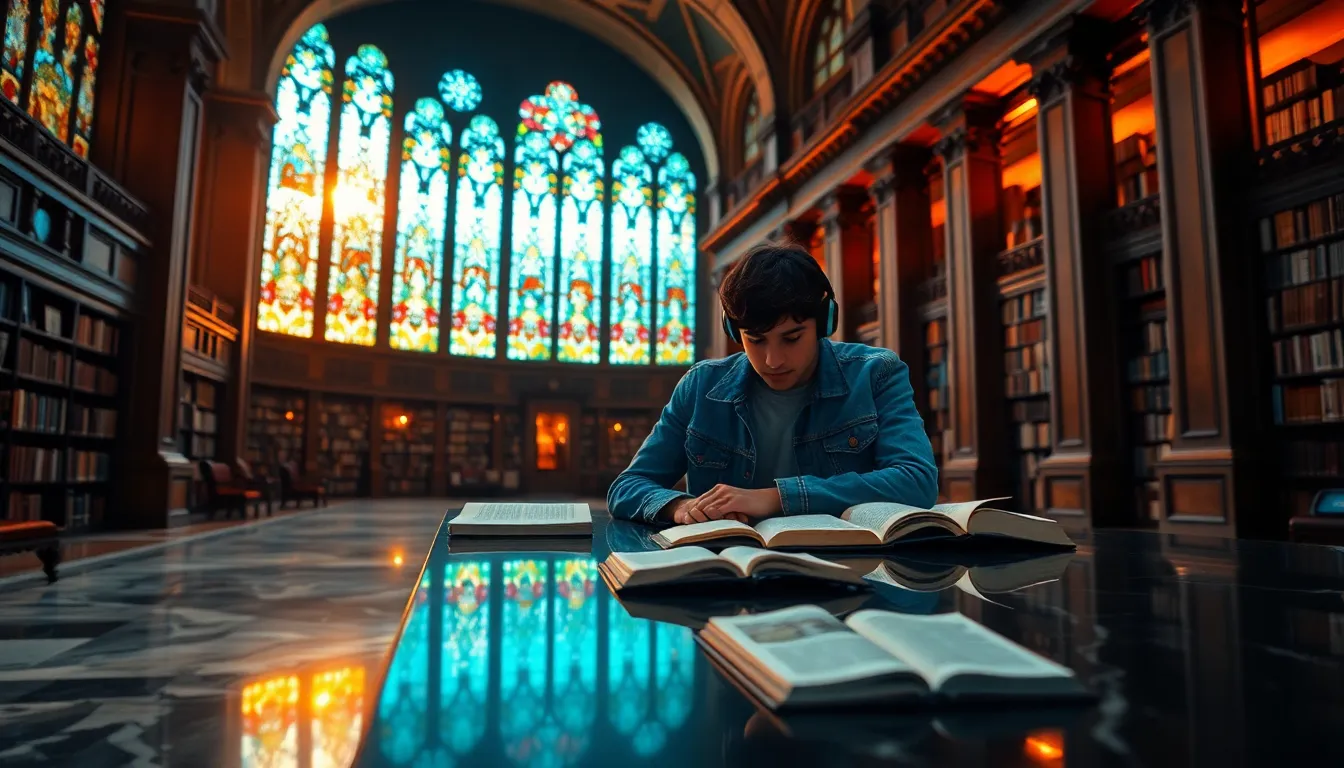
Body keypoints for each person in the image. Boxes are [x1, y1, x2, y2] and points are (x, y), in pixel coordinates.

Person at [607, 242, 938, 525]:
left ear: (825, 323)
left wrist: (776, 498)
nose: (773, 360)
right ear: (735, 332)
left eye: (792, 338)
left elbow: (916, 480)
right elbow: (628, 486)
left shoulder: (877, 374)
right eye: (756, 340)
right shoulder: (700, 386)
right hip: (727, 574)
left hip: (850, 573)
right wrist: (682, 508)